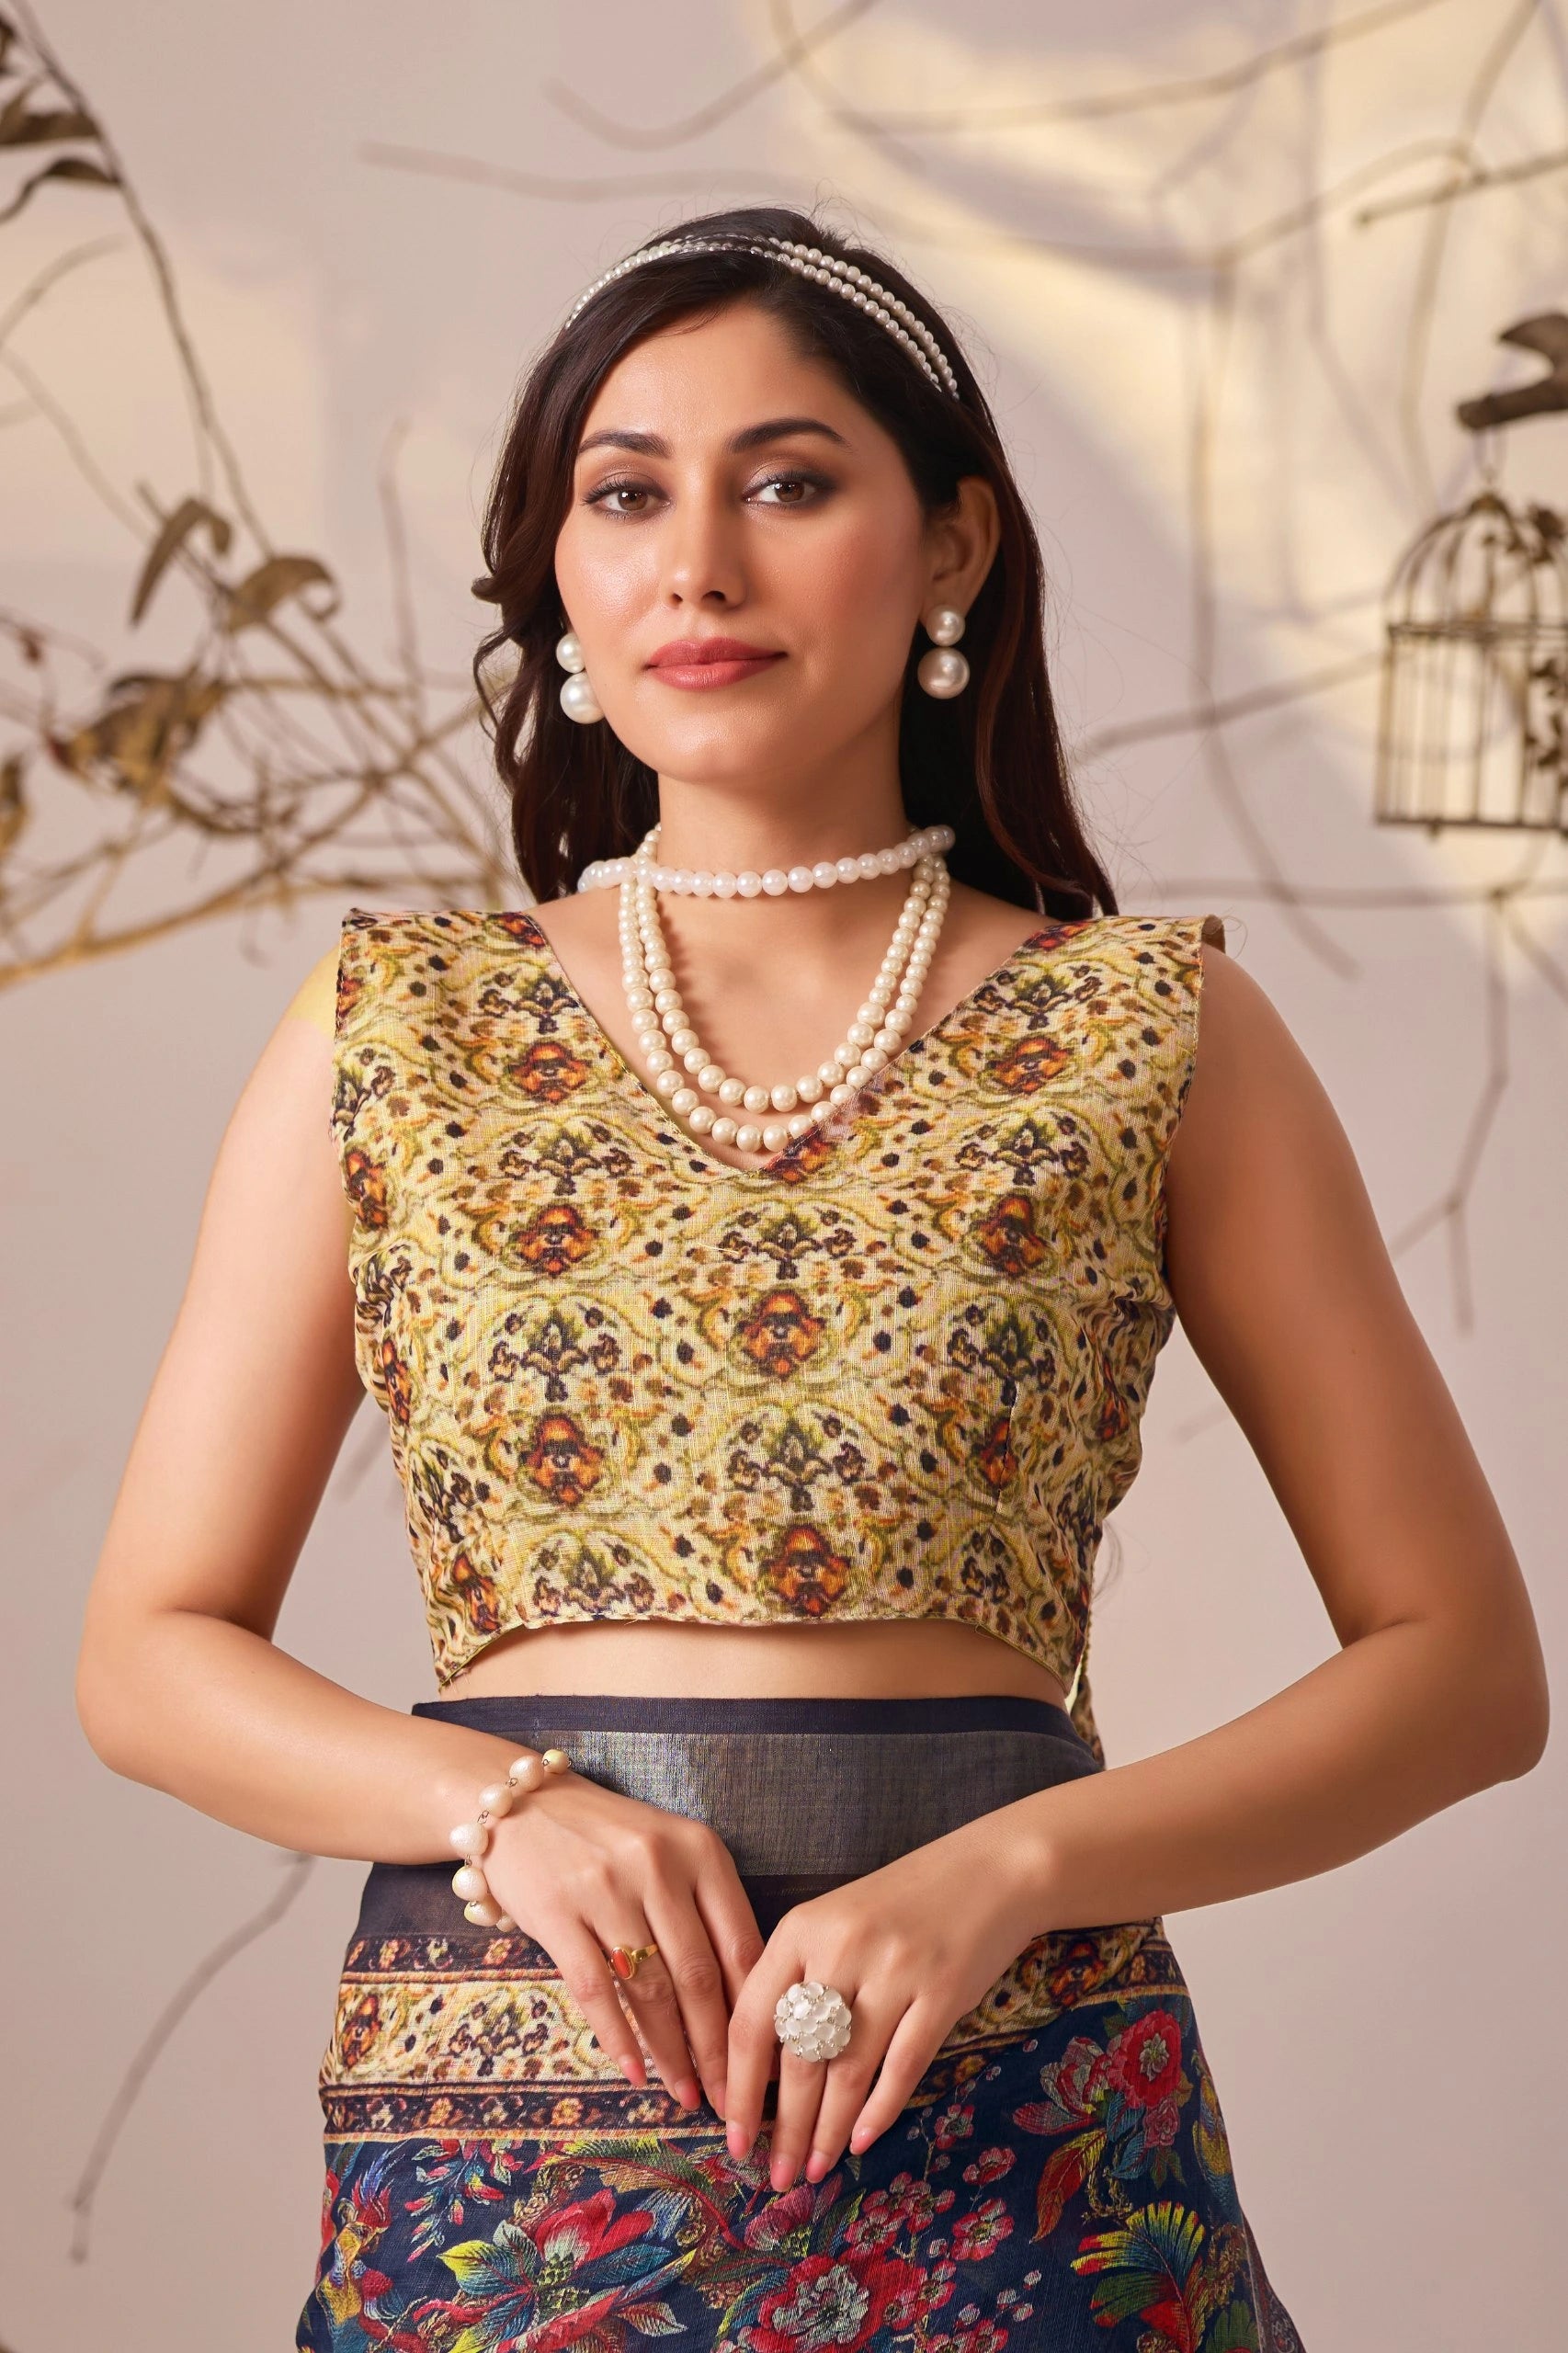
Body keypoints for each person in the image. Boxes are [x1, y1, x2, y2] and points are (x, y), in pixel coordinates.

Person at [75, 206, 1546, 2351]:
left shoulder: (1149, 1029)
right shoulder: (395, 1025)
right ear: (561, 574)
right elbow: (148, 1650)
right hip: (512, 2163)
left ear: (949, 546)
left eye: (787, 479)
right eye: (624, 492)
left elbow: (1463, 1668)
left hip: (1028, 2130)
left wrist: (1018, 1863)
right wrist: (507, 1802)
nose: (699, 562)